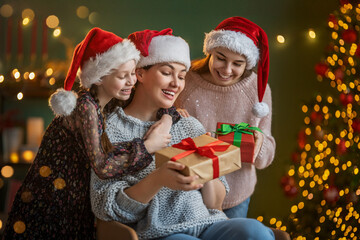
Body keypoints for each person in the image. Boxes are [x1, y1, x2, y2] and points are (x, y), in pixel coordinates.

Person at [91, 28, 275, 240]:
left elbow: (215, 204)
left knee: (255, 231)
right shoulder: (111, 130)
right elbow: (106, 208)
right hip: (160, 232)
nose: (176, 84)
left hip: (210, 226)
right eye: (167, 73)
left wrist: (207, 165)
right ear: (140, 73)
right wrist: (159, 178)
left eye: (181, 76)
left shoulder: (189, 125)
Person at [3, 27, 175, 239]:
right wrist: (148, 146)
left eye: (132, 73)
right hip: (53, 202)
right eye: (123, 76)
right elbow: (103, 165)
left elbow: (151, 100)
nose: (131, 81)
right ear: (100, 77)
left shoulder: (108, 101)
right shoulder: (86, 107)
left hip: (75, 199)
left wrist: (168, 115)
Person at [175, 16, 276, 219]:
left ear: (247, 64)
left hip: (236, 196)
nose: (227, 70)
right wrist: (170, 117)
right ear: (210, 51)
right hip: (189, 192)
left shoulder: (258, 90)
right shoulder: (186, 80)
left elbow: (266, 155)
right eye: (221, 58)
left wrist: (260, 144)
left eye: (237, 63)